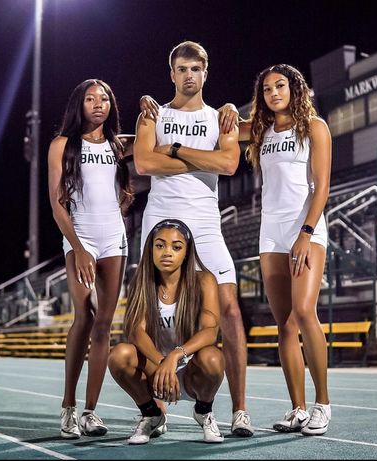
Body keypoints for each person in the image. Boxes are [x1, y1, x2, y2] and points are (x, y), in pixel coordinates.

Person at [134, 40, 254, 437]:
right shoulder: (153, 113)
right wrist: (198, 157)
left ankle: (239, 410)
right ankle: (155, 409)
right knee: (152, 313)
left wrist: (176, 149)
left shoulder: (222, 118)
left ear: (206, 73)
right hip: (161, 221)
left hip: (205, 222)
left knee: (231, 311)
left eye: (195, 69)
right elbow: (144, 161)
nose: (189, 75)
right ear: (172, 74)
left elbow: (230, 162)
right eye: (182, 69)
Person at [242, 64, 332, 435]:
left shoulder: (314, 127)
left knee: (304, 310)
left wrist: (306, 232)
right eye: (266, 89)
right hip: (271, 232)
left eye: (280, 85)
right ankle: (297, 408)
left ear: (295, 88)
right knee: (284, 323)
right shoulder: (260, 130)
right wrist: (228, 111)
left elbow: (322, 186)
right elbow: (217, 126)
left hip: (304, 228)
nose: (274, 93)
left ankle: (322, 404)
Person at [48, 79, 132, 438]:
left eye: (105, 99)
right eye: (90, 98)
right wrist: (79, 248)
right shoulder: (62, 145)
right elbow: (57, 204)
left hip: (114, 238)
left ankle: (91, 412)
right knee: (85, 317)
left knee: (105, 324)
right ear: (78, 104)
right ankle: (68, 406)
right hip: (80, 237)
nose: (99, 104)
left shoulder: (118, 144)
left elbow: (154, 136)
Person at [108, 219, 225, 444]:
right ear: (150, 249)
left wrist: (174, 356)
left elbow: (210, 331)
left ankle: (204, 411)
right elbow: (135, 331)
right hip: (156, 368)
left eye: (176, 247)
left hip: (191, 368)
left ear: (187, 252)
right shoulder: (142, 283)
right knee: (119, 355)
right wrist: (162, 362)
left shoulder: (204, 280)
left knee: (212, 357)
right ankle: (151, 414)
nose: (167, 253)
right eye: (160, 245)